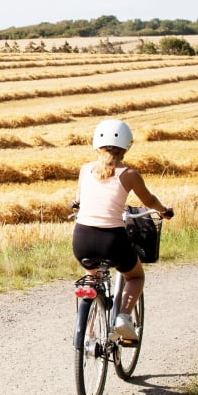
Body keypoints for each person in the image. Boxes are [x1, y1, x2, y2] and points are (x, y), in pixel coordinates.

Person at [72, 118, 172, 343]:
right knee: (135, 276)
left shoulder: (85, 169)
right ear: (127, 146)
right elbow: (149, 200)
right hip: (112, 240)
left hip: (81, 239)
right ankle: (123, 318)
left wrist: (79, 205)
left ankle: (88, 333)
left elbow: (78, 200)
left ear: (96, 143)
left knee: (92, 277)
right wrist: (164, 210)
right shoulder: (129, 175)